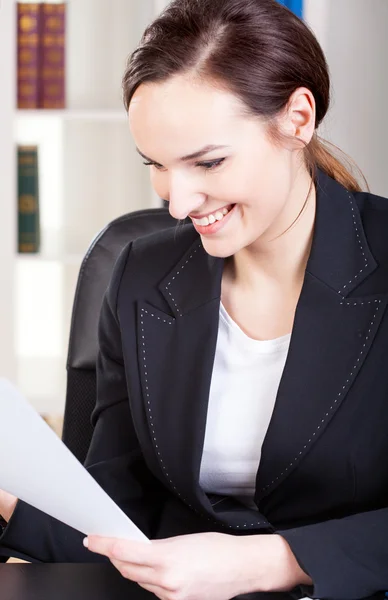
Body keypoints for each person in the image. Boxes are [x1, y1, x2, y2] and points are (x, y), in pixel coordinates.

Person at [1, 0, 388, 598]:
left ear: (297, 118)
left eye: (208, 162)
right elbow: (116, 510)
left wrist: (273, 562)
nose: (177, 204)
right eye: (155, 164)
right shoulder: (140, 273)